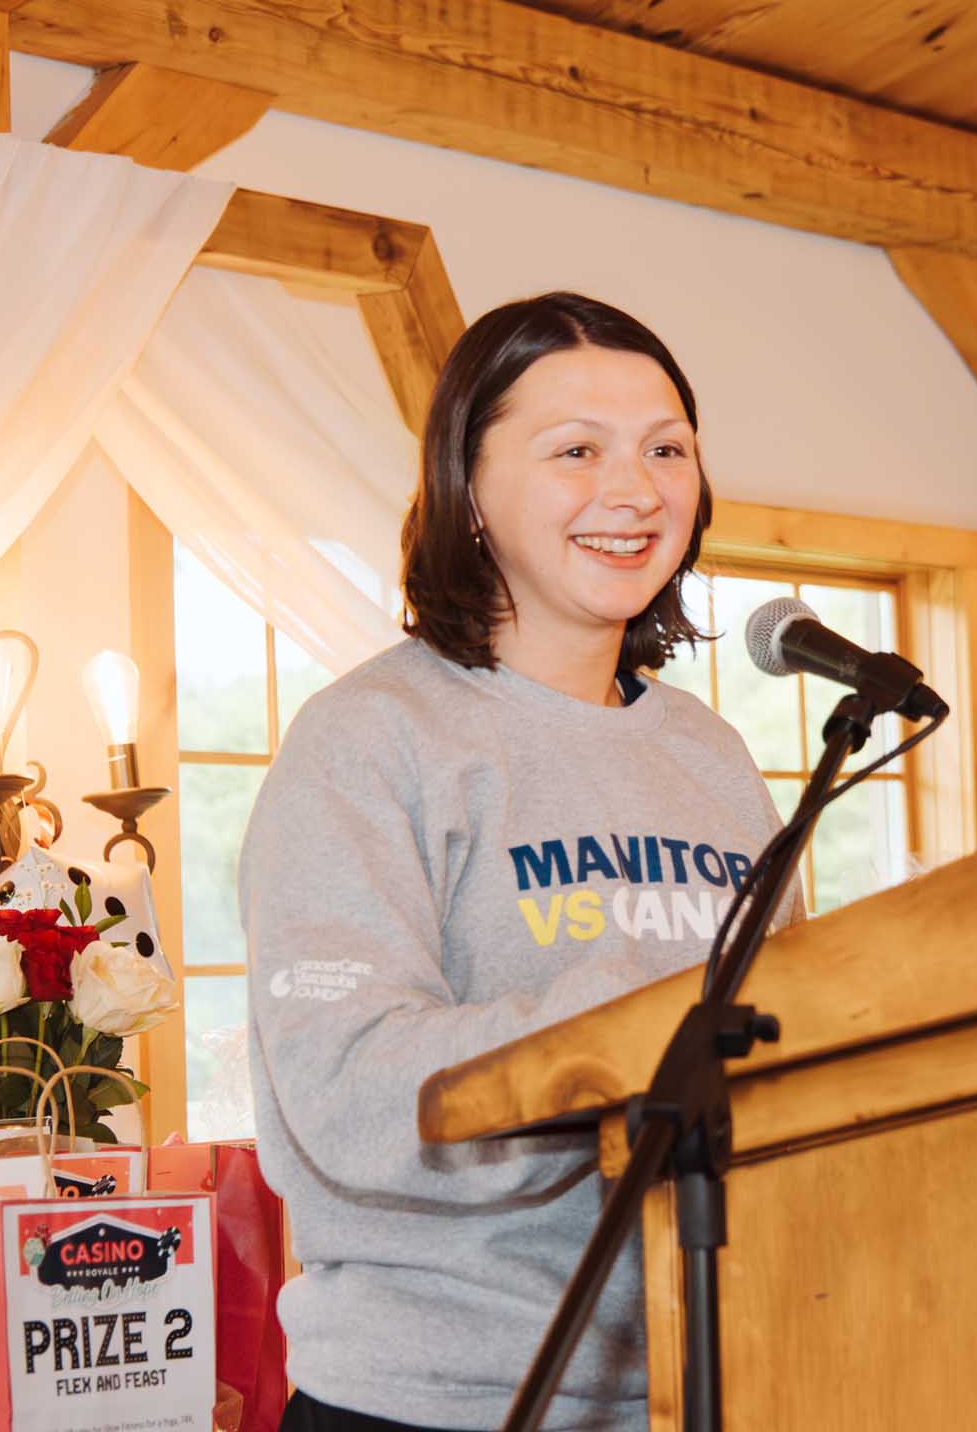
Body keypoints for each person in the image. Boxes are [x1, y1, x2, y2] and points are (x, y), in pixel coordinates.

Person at [242, 293, 800, 1432]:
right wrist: (627, 1027)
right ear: (467, 489)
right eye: (576, 451)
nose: (634, 491)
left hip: (704, 1382)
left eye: (666, 450)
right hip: (434, 1403)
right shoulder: (370, 738)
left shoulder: (712, 756)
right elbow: (347, 1093)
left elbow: (791, 1043)